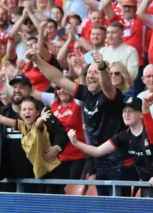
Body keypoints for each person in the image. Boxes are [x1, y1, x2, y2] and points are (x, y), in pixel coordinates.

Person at [30, 48, 131, 196]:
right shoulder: (86, 93)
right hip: (99, 164)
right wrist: (37, 60)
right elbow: (59, 79)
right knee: (105, 212)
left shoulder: (112, 96)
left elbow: (108, 86)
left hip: (119, 165)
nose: (90, 75)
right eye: (89, 72)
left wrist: (102, 67)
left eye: (95, 72)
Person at [68, 96, 153, 198]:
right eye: (124, 111)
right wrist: (76, 142)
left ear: (141, 114)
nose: (126, 114)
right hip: (148, 184)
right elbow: (98, 151)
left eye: (130, 111)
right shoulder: (123, 136)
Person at [0, 99, 61, 179]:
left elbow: (38, 124)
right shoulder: (21, 125)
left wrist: (41, 119)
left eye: (30, 109)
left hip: (51, 170)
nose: (27, 112)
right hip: (40, 170)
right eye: (24, 109)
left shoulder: (39, 126)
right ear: (20, 113)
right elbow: (0, 118)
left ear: (37, 113)